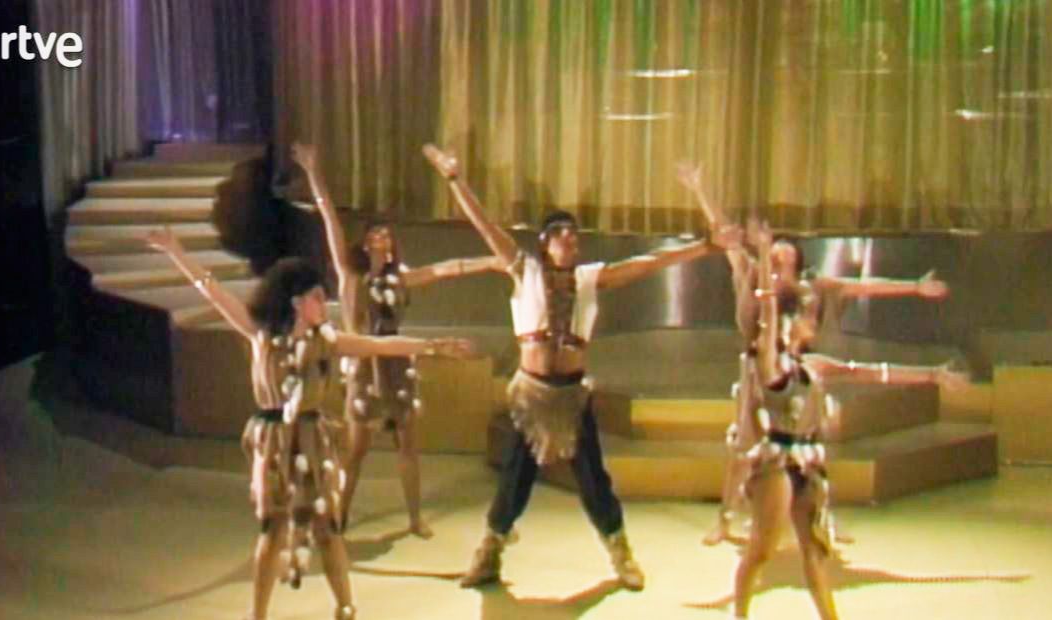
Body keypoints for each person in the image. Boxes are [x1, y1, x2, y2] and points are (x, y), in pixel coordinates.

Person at [424, 144, 742, 590]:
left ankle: (620, 553)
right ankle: (489, 552)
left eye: (574, 236)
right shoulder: (525, 270)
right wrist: (455, 180)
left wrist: (702, 248)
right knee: (515, 478)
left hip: (572, 396)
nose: (570, 241)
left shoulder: (589, 278)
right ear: (545, 242)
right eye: (561, 235)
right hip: (530, 394)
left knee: (593, 480)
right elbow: (486, 227)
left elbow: (644, 266)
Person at [145, 228, 474, 620]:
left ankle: (346, 606)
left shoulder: (326, 341)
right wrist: (177, 252)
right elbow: (213, 292)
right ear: (297, 303)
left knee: (327, 529)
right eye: (318, 296)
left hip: (312, 437)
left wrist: (433, 346)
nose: (324, 302)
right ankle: (258, 614)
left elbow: (379, 345)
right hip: (273, 439)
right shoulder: (262, 336)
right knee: (272, 530)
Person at [675, 162, 950, 546]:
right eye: (773, 258)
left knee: (810, 447)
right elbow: (728, 239)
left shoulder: (813, 288)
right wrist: (700, 190)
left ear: (796, 264)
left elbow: (861, 287)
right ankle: (726, 518)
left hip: (800, 371)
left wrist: (914, 288)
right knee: (743, 448)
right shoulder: (751, 275)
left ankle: (823, 516)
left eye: (784, 259)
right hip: (757, 368)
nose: (777, 264)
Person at [729, 221, 967, 620]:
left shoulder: (817, 363)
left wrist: (932, 375)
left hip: (809, 460)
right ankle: (740, 614)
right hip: (777, 460)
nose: (812, 321)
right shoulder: (769, 363)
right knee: (763, 549)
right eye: (805, 318)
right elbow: (767, 311)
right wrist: (765, 257)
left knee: (815, 550)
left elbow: (873, 373)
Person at [291, 143, 502, 538]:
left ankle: (415, 518)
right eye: (376, 234)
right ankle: (340, 513)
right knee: (356, 448)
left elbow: (445, 270)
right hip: (363, 363)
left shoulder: (400, 277)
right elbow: (330, 220)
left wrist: (490, 262)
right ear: (365, 241)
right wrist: (314, 175)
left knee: (407, 444)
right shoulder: (351, 275)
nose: (383, 239)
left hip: (397, 363)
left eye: (387, 235)